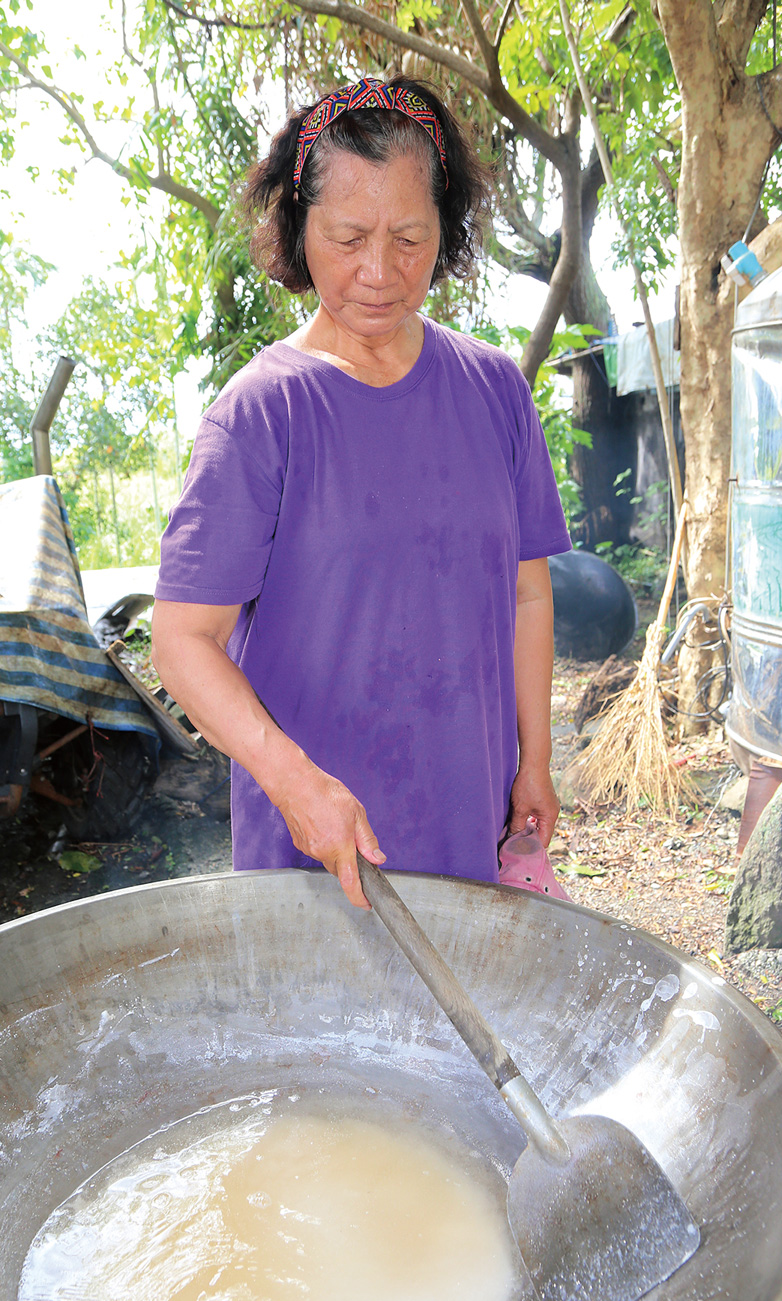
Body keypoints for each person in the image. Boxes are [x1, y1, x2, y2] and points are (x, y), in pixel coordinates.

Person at [151, 75, 571, 910]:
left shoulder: (494, 391)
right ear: (297, 228)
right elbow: (182, 643)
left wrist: (535, 759)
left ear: (443, 230)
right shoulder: (260, 415)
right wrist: (294, 781)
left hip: (465, 834)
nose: (379, 272)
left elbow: (527, 592)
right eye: (347, 238)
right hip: (311, 858)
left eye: (409, 238)